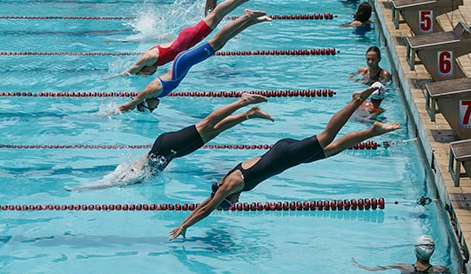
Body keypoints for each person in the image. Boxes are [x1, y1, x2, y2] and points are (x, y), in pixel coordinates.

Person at [167, 84, 401, 239]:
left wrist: (184, 226)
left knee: (327, 136)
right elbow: (207, 202)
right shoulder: (228, 182)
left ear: (227, 197)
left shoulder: (231, 185)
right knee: (333, 148)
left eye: (231, 203)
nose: (236, 202)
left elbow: (207, 208)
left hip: (285, 155)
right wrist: (185, 220)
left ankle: (355, 101)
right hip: (285, 154)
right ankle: (373, 131)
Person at [73, 93, 273, 190]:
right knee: (213, 132)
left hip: (167, 146)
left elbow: (103, 183)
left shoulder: (121, 177)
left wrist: (81, 188)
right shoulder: (128, 174)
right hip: (171, 152)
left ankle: (242, 101)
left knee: (207, 124)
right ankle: (249, 114)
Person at [115, 9, 271, 114]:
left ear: (146, 104)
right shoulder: (157, 94)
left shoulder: (150, 91)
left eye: (151, 109)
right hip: (185, 63)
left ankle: (245, 17)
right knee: (220, 44)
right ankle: (250, 21)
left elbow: (130, 104)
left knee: (216, 42)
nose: (155, 109)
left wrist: (111, 112)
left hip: (183, 61)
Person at [119, 0, 262, 77]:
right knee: (215, 17)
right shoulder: (154, 60)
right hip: (188, 39)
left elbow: (131, 69)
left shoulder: (149, 58)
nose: (151, 74)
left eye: (147, 74)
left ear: (144, 69)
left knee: (215, 16)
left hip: (189, 38)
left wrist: (114, 77)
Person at [352, 235, 452, 274]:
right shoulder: (440, 269)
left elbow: (378, 268)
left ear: (415, 252)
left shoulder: (404, 267)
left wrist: (360, 266)